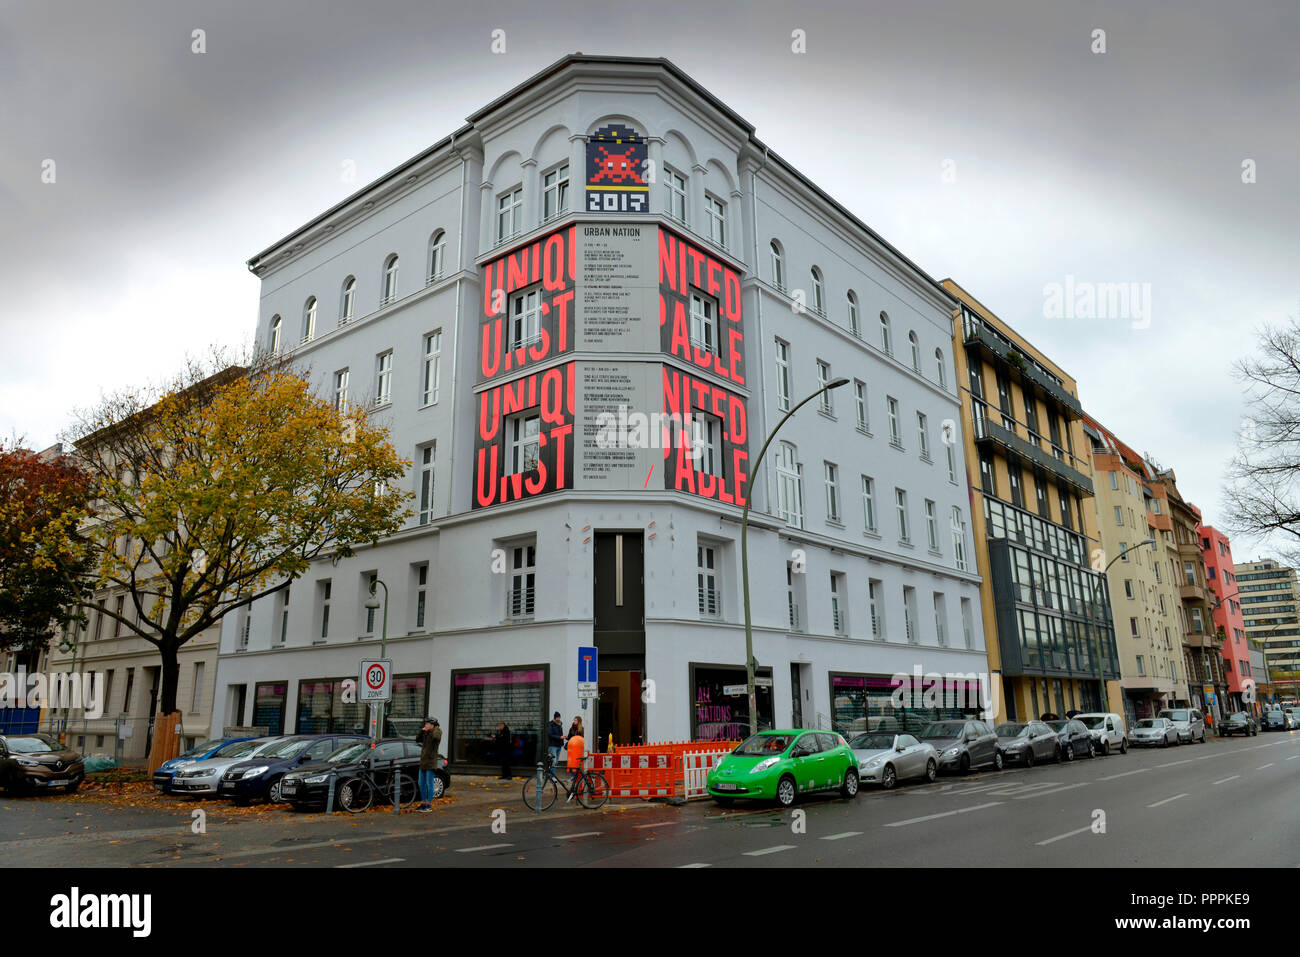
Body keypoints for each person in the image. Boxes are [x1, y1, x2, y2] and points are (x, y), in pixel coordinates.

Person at [414, 717, 442, 812]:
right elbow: (417, 740)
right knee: (421, 783)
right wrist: (422, 731)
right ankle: (423, 803)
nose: (425, 725)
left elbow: (436, 737)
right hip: (423, 762)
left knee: (429, 784)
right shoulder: (426, 732)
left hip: (430, 762)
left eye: (427, 724)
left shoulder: (437, 732)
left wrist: (435, 728)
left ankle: (429, 805)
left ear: (432, 725)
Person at [565, 724, 585, 789]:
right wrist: (566, 737)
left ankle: (577, 778)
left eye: (576, 720)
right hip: (572, 746)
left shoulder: (581, 728)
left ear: (579, 721)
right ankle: (573, 776)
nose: (574, 721)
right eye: (574, 720)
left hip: (578, 747)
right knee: (572, 763)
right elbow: (569, 736)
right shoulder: (572, 728)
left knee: (577, 763)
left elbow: (582, 737)